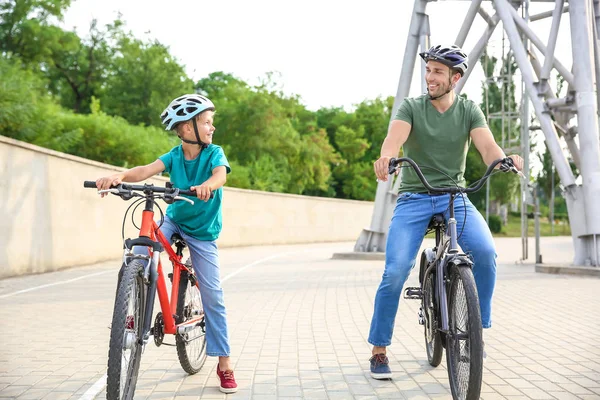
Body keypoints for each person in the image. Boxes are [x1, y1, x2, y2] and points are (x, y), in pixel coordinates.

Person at [368, 44, 524, 379]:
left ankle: (475, 331)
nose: (430, 78)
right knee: (395, 271)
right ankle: (379, 350)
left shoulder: (469, 111)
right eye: (428, 71)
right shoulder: (412, 107)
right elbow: (393, 140)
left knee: (484, 253)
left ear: (455, 77)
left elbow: (487, 147)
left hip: (455, 196)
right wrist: (387, 158)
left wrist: (504, 161)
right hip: (414, 197)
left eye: (437, 72)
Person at [96, 94, 238, 393]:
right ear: (187, 129)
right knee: (140, 246)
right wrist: (119, 176)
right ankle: (131, 305)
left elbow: (220, 176)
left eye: (211, 123)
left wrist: (206, 186)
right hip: (175, 218)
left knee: (212, 293)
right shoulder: (174, 155)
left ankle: (224, 363)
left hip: (202, 231)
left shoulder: (214, 153)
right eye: (207, 122)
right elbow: (145, 171)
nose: (212, 128)